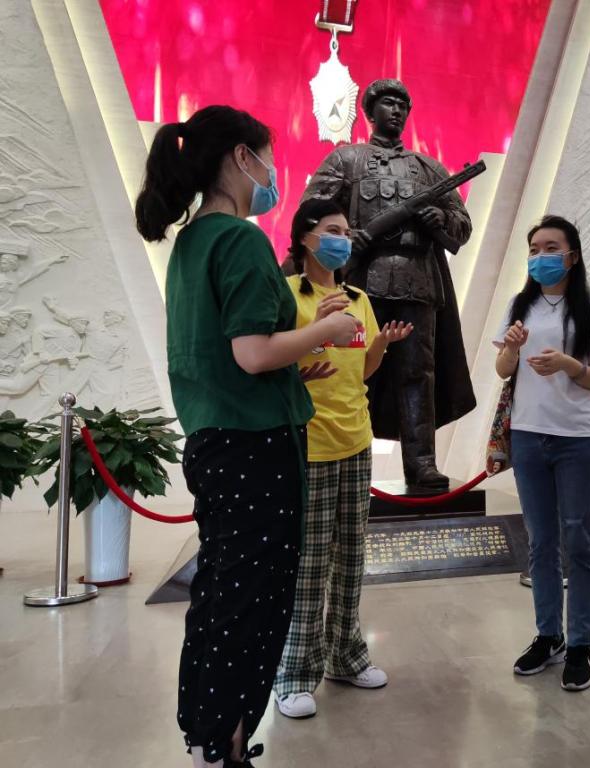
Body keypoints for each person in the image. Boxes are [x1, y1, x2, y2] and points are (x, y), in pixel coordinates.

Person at [135, 105, 360, 768]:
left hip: (215, 441)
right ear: (241, 157)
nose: (272, 172)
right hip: (256, 448)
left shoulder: (191, 243)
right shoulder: (239, 239)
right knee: (252, 603)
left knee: (220, 592)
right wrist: (326, 331)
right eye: (267, 156)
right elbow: (252, 352)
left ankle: (206, 732)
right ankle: (226, 743)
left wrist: (297, 361)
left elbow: (229, 354)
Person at [273, 197, 413, 719]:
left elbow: (363, 367)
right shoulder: (288, 294)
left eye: (346, 231)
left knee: (351, 557)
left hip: (356, 440)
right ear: (305, 237)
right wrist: (309, 342)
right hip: (308, 443)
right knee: (310, 563)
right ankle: (293, 673)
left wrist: (382, 345)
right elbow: (272, 359)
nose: (342, 239)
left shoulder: (358, 298)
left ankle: (346, 656)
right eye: (332, 230)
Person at [303, 78, 476, 490]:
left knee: (418, 374)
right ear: (369, 110)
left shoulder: (428, 169)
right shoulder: (345, 160)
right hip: (362, 283)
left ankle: (422, 464)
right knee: (351, 371)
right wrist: (349, 237)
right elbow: (310, 213)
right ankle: (346, 459)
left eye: (402, 104)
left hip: (418, 283)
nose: (396, 110)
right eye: (387, 103)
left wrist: (441, 219)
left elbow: (462, 226)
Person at [493, 215, 590, 692]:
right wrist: (511, 349)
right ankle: (549, 635)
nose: (540, 256)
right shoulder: (519, 305)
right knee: (541, 541)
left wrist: (569, 364)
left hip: (576, 438)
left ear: (572, 255)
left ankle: (581, 642)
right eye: (534, 249)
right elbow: (503, 369)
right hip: (528, 434)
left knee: (579, 539)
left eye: (551, 247)